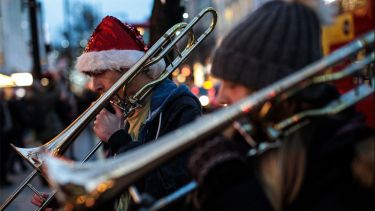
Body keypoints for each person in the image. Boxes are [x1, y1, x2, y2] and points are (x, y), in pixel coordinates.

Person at [187, 1, 374, 211]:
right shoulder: (250, 137)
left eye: (233, 84)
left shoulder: (345, 163)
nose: (220, 97)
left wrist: (227, 183)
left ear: (273, 87)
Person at [32, 16, 202, 210]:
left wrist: (118, 139)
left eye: (99, 73)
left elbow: (170, 190)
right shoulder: (127, 109)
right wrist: (72, 202)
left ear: (126, 67)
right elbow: (122, 193)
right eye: (90, 76)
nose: (93, 86)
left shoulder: (179, 106)